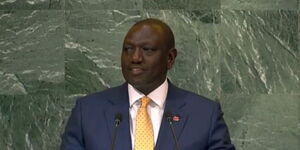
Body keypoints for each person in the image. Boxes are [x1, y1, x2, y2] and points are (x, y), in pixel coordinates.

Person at [60, 18, 235, 150]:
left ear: (170, 58)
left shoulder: (204, 114)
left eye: (147, 50)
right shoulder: (88, 112)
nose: (135, 58)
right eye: (128, 49)